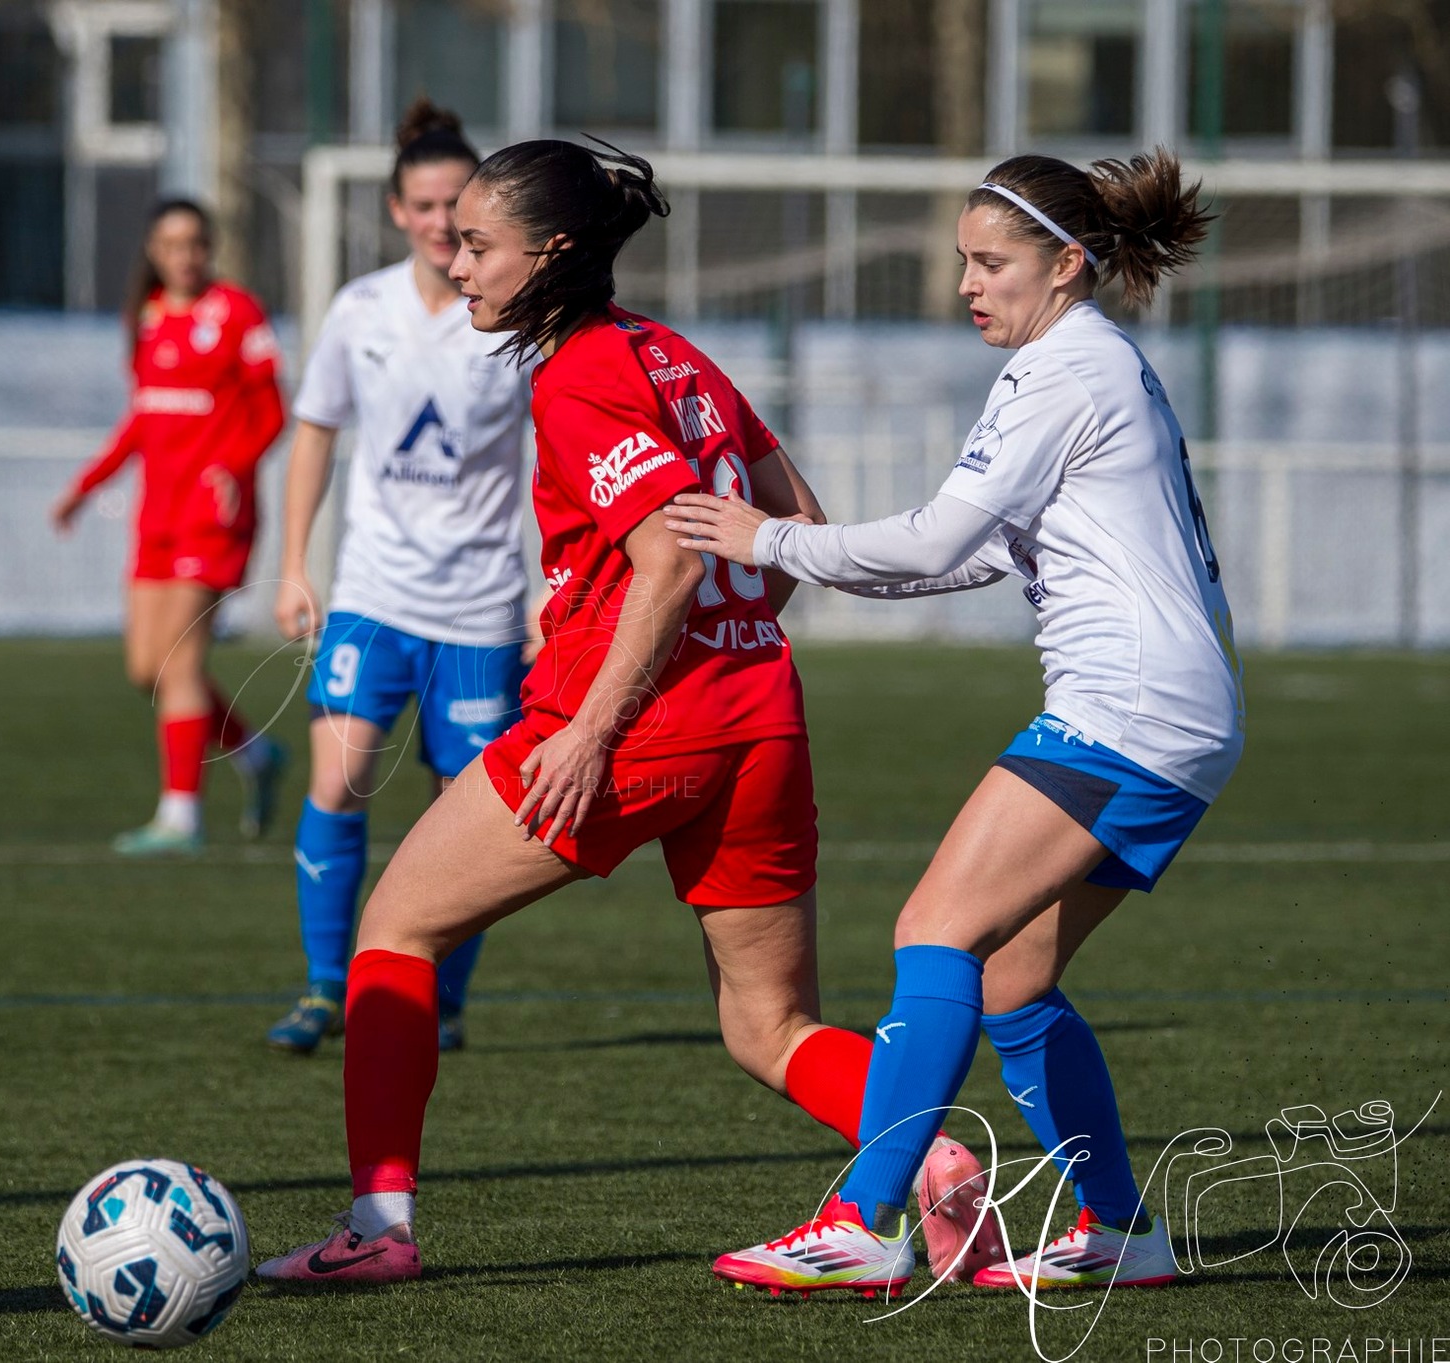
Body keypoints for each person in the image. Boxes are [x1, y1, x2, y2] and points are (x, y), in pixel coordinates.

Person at [255, 140, 991, 1287]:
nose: (456, 265)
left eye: (478, 245)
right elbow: (794, 528)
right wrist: (715, 634)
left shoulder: (578, 374)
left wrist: (593, 726)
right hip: (759, 717)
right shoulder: (674, 354)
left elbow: (667, 561)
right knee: (767, 1027)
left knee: (392, 929)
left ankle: (378, 1229)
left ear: (550, 253)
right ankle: (929, 1159)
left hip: (636, 729)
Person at [666, 150, 1236, 1294]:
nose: (967, 284)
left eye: (990, 263)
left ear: (1064, 264)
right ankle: (1120, 1232)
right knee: (1013, 975)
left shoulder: (1062, 368)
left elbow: (935, 538)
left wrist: (767, 538)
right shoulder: (1083, 360)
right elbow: (966, 555)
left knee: (935, 928)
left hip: (1124, 708)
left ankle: (860, 1221)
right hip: (1176, 713)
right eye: (961, 261)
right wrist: (817, 557)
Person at [264, 100, 534, 1057]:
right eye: (423, 204)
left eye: (456, 203)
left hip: (481, 609)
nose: (438, 220)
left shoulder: (515, 321)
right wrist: (293, 566)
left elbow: (557, 457)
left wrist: (554, 590)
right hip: (373, 595)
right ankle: (325, 987)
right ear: (395, 210)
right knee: (338, 779)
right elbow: (314, 434)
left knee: (465, 820)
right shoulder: (360, 310)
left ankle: (440, 999)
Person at [51, 200, 288, 855]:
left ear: (209, 248)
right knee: (146, 668)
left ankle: (181, 817)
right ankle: (256, 753)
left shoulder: (237, 313)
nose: (185, 255)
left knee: (180, 663)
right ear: (153, 251)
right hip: (157, 515)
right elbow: (142, 418)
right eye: (171, 243)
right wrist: (85, 487)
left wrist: (234, 466)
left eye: (195, 242)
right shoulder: (147, 316)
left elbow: (273, 411)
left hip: (213, 517)